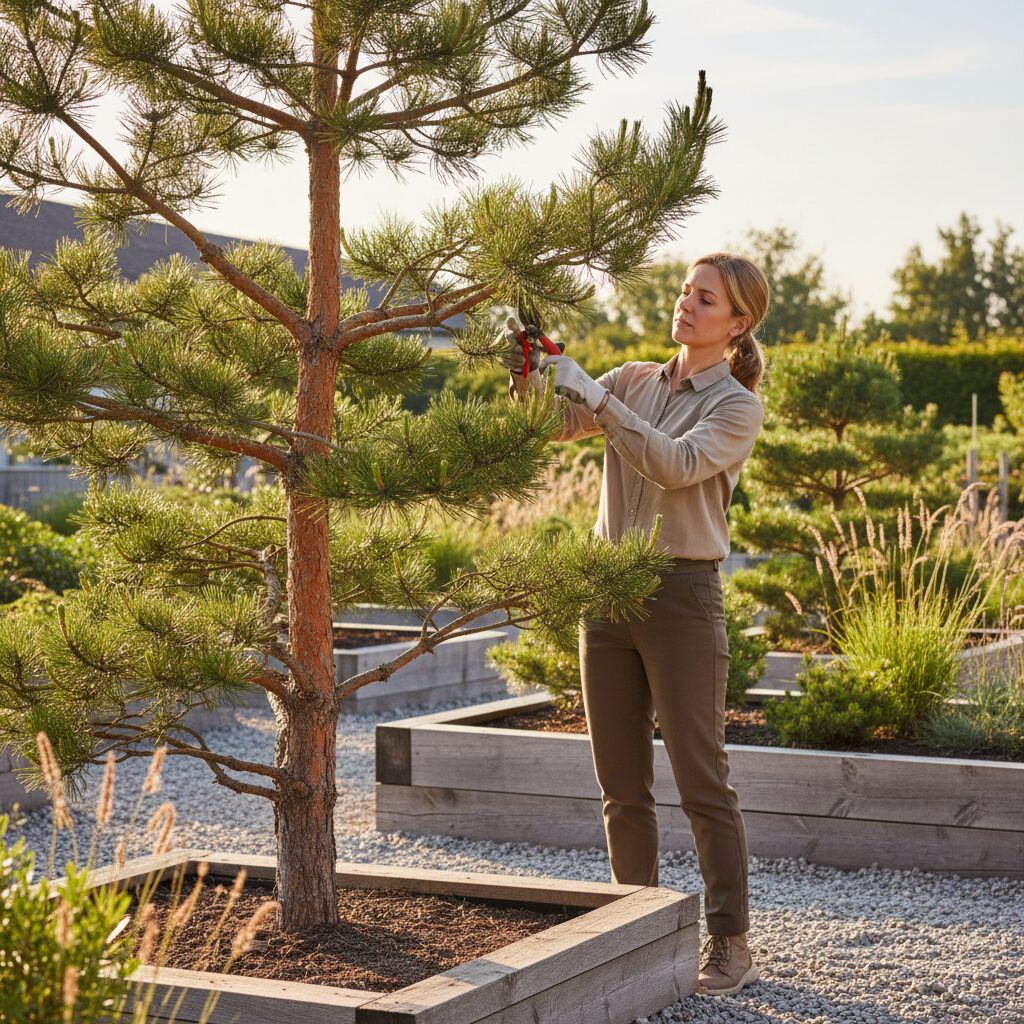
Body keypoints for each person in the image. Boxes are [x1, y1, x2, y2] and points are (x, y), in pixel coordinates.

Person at [502, 252, 769, 997]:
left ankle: (730, 943)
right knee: (621, 785)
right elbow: (549, 428)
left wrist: (599, 398)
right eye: (686, 290)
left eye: (705, 298)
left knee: (701, 781)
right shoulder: (634, 378)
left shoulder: (736, 407)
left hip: (682, 596)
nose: (686, 303)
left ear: (737, 323)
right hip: (606, 593)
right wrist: (528, 370)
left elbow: (676, 465)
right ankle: (636, 929)